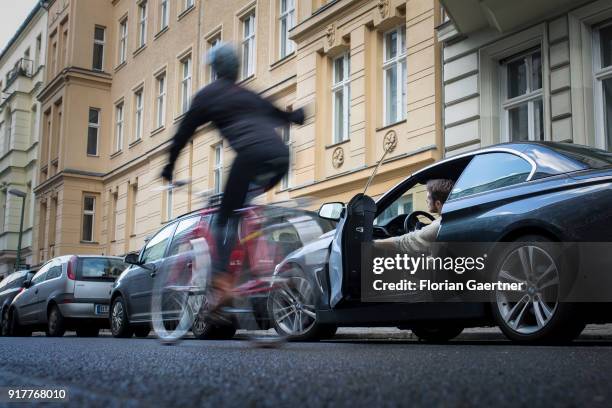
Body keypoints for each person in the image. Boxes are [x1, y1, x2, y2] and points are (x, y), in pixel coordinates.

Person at [161, 44, 305, 308]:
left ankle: (223, 284)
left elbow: (183, 135)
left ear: (215, 69)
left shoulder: (207, 96)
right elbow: (278, 114)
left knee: (223, 218)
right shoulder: (246, 94)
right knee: (243, 207)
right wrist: (296, 116)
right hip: (281, 158)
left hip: (250, 157)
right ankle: (259, 263)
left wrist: (169, 168)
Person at [375, 179, 454, 254]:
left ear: (438, 204)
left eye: (428, 199)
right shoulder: (453, 219)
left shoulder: (438, 226)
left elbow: (402, 242)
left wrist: (374, 242)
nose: (426, 201)